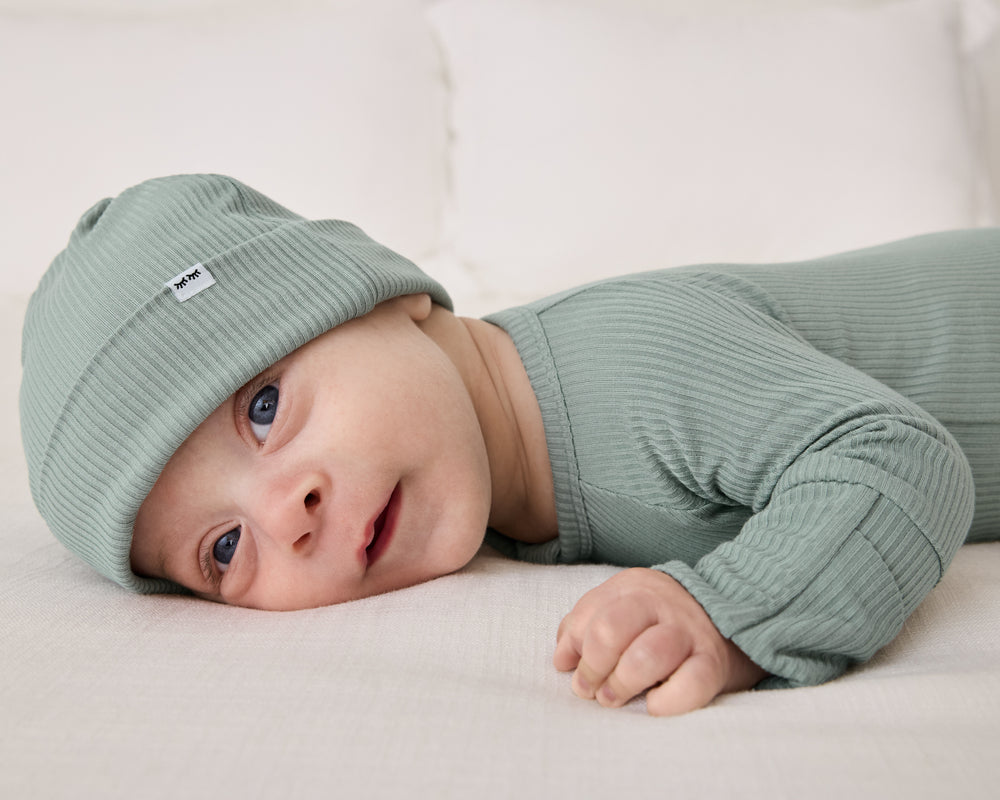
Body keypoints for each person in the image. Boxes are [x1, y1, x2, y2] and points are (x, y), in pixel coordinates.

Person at [20, 174, 999, 716]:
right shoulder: (514, 496)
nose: (288, 511)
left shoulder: (632, 360)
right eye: (224, 548)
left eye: (265, 407)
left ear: (387, 297)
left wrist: (731, 608)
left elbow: (895, 454)